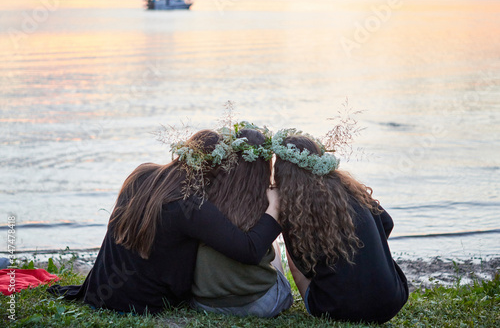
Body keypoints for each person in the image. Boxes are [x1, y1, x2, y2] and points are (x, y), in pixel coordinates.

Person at [48, 130, 283, 314]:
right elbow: (249, 250)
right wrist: (274, 208)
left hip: (100, 291)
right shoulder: (193, 206)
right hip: (144, 301)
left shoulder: (141, 173)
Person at [273, 132, 408, 324]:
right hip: (392, 301)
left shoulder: (294, 209)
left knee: (295, 263)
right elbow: (387, 223)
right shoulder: (350, 188)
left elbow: (301, 267)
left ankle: (316, 302)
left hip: (336, 310)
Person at [191, 128, 293, 317]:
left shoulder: (205, 197)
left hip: (205, 303)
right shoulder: (269, 201)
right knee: (274, 246)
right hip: (261, 304)